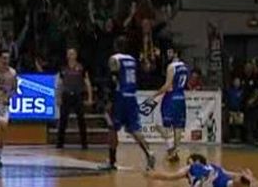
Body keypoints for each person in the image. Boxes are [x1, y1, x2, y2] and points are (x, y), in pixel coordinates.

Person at [104, 36, 155, 171]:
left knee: (111, 126)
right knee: (134, 129)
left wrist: (109, 100)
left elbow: (113, 80)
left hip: (120, 97)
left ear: (116, 46)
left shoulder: (114, 59)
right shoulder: (132, 60)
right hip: (132, 96)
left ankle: (112, 161)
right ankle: (150, 153)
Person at [147, 153, 258, 187]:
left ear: (194, 161)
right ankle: (246, 183)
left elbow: (170, 176)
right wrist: (243, 174)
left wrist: (153, 174)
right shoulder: (213, 166)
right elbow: (229, 173)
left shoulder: (191, 168)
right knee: (233, 185)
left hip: (204, 180)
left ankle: (206, 184)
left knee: (197, 186)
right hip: (221, 178)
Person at [151, 46, 189, 163]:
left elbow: (168, 86)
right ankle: (175, 151)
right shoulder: (185, 67)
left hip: (171, 97)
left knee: (159, 124)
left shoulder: (171, 66)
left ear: (176, 54)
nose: (168, 54)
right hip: (181, 97)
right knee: (178, 127)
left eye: (170, 52)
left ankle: (170, 149)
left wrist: (155, 94)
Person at [56, 48, 93, 149]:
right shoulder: (63, 68)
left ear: (76, 55)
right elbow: (60, 83)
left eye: (73, 54)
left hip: (78, 95)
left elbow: (87, 82)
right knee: (63, 120)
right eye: (69, 54)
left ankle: (84, 144)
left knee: (81, 120)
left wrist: (90, 97)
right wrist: (58, 97)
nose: (71, 55)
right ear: (67, 56)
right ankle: (60, 144)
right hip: (66, 95)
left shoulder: (81, 67)